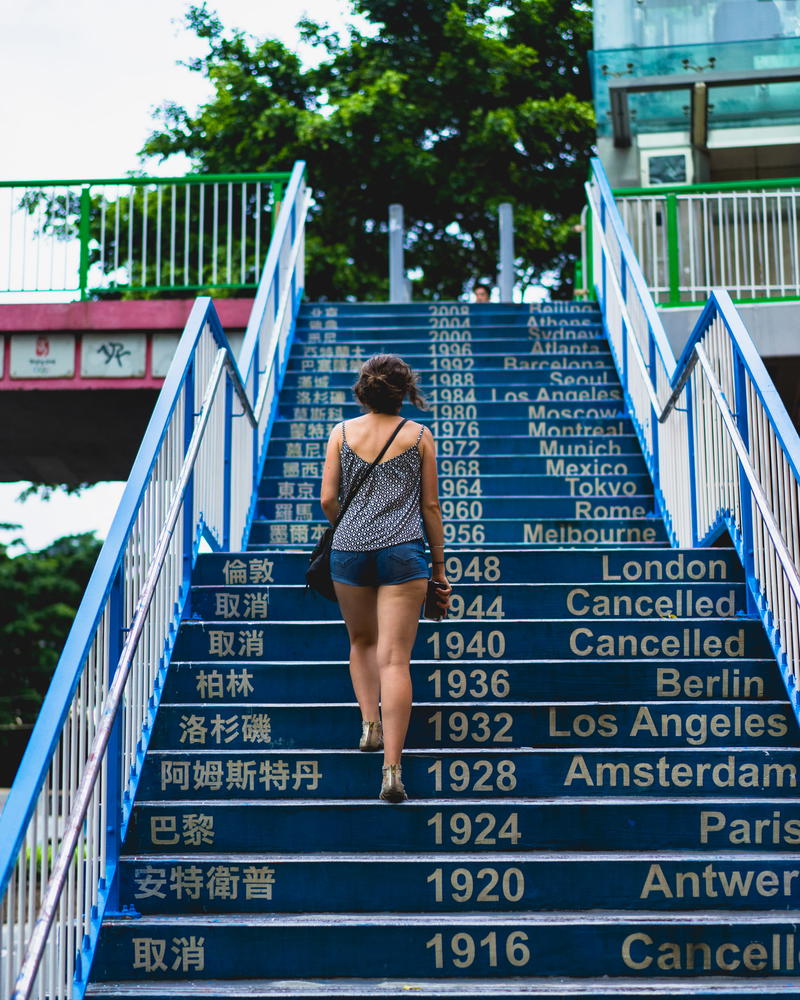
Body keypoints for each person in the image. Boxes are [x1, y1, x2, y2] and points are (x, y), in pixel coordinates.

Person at [320, 354, 451, 803]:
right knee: (395, 660)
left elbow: (327, 499)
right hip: (403, 553)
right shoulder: (418, 436)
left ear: (363, 389)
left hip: (349, 552)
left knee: (361, 643)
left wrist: (350, 524)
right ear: (404, 390)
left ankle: (369, 724)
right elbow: (430, 508)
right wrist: (438, 568)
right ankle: (392, 769)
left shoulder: (340, 433)